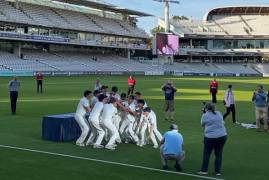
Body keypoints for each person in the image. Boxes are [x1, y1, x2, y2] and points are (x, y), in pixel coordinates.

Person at [198, 103, 227, 176]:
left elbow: (202, 124)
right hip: (222, 136)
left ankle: (204, 170)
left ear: (206, 108)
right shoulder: (219, 113)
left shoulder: (204, 115)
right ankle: (218, 172)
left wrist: (204, 113)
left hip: (210, 137)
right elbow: (222, 122)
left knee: (207, 154)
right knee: (218, 154)